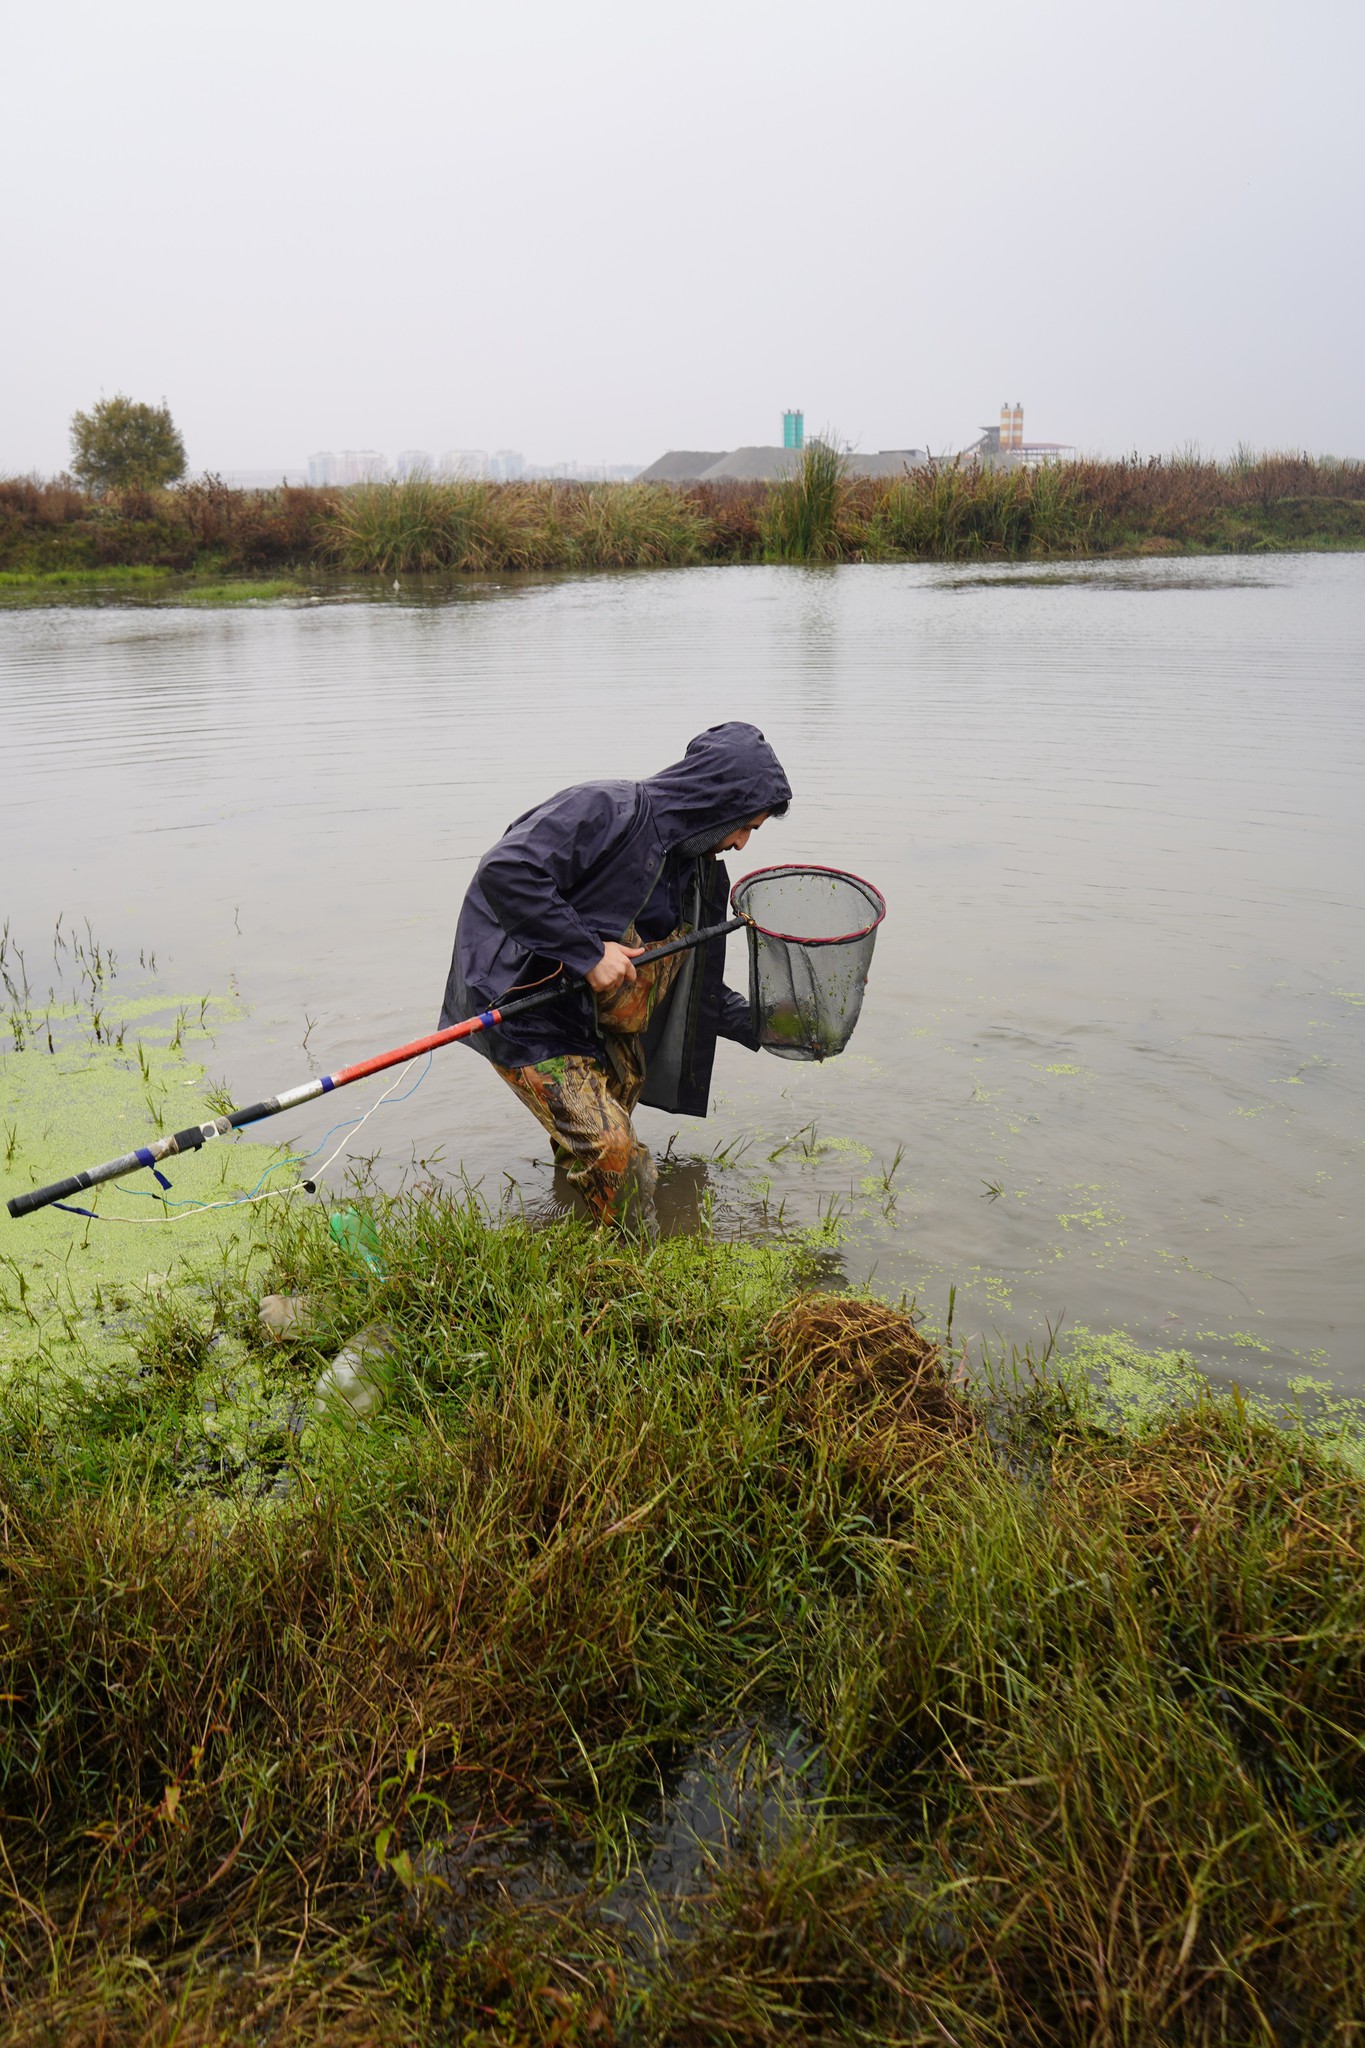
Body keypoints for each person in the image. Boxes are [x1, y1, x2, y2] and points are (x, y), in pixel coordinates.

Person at [440, 722, 792, 1232]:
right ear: (719, 805)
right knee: (612, 1148)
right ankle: (630, 1265)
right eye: (746, 827)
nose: (741, 844)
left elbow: (696, 988)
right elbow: (505, 871)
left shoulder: (696, 870)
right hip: (525, 1010)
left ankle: (575, 1222)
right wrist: (587, 953)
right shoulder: (606, 809)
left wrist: (769, 1022)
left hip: (600, 1020)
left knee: (600, 1131)